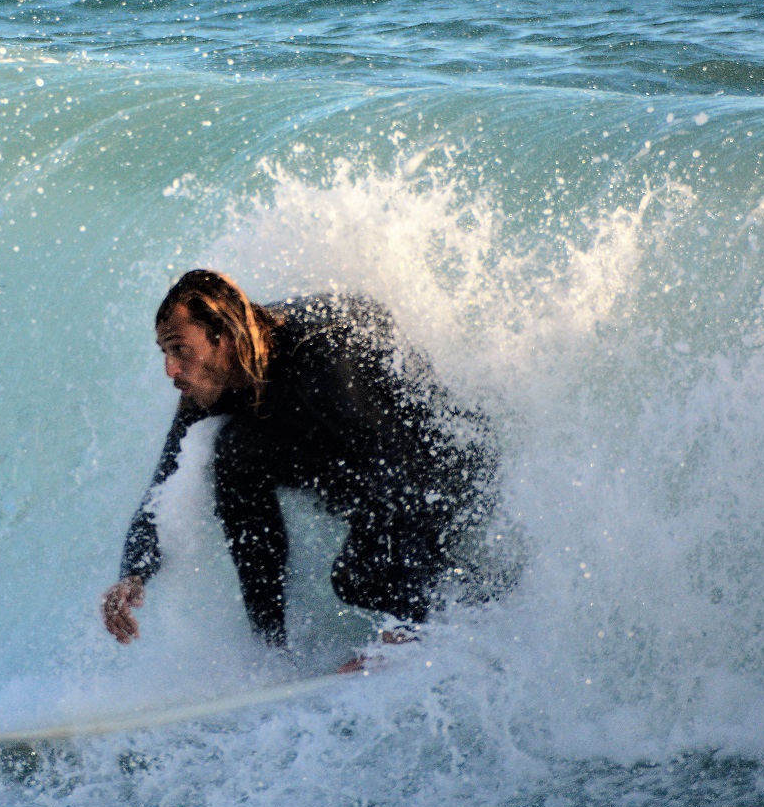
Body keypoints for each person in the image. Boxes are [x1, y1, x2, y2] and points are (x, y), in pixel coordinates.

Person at [100, 269, 495, 667]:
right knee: (235, 453)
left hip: (441, 465)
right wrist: (133, 573)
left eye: (181, 350)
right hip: (367, 467)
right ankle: (270, 649)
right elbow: (164, 487)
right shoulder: (213, 383)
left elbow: (404, 473)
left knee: (359, 579)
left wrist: (407, 624)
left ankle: (475, 609)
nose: (170, 369)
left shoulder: (322, 359)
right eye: (164, 353)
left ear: (227, 338)